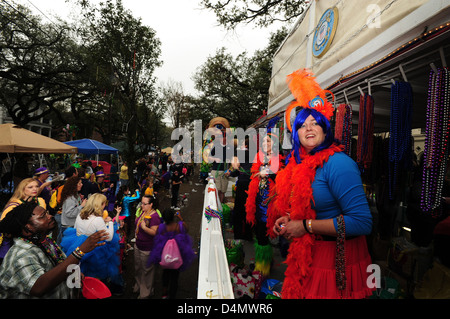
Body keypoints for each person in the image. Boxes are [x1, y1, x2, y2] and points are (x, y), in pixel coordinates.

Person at [269, 68, 374, 299]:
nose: (308, 128)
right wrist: (290, 220)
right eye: (302, 125)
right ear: (295, 133)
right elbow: (309, 208)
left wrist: (305, 226)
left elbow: (362, 222)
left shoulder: (338, 164)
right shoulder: (299, 164)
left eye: (314, 123)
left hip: (336, 262)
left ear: (325, 129)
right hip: (307, 256)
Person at [0, 200, 109, 298]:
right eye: (43, 216)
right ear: (28, 227)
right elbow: (38, 288)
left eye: (47, 213)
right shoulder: (21, 254)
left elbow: (58, 266)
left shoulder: (46, 241)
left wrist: (70, 274)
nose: (50, 216)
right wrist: (79, 252)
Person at [245, 133, 284, 277]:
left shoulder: (279, 159)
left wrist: (266, 172)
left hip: (269, 204)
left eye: (267, 141)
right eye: (262, 141)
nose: (264, 143)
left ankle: (263, 269)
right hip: (258, 201)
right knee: (260, 234)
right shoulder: (260, 158)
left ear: (274, 143)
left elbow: (281, 178)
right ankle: (264, 262)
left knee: (263, 234)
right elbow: (253, 174)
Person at [60, 193, 120, 284]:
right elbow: (109, 238)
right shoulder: (97, 219)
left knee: (80, 269)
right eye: (104, 203)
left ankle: (80, 288)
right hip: (93, 249)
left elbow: (76, 228)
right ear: (100, 204)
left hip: (77, 244)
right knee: (94, 273)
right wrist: (111, 222)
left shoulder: (81, 213)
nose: (105, 205)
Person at [148, 208, 196, 299]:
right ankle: (172, 294)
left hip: (165, 256)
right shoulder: (179, 227)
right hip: (176, 256)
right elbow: (187, 229)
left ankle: (164, 293)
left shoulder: (161, 227)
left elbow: (157, 239)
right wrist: (180, 217)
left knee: (165, 273)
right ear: (173, 217)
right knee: (175, 276)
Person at [0, 178, 47, 262]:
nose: (35, 189)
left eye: (36, 186)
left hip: (36, 242)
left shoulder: (40, 202)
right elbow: (4, 227)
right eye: (30, 187)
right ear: (22, 189)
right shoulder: (14, 206)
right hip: (14, 244)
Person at [133, 195, 161, 299]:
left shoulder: (154, 217)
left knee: (147, 271)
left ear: (151, 204)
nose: (142, 205)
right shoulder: (143, 211)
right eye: (141, 203)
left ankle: (145, 292)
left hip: (147, 248)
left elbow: (154, 232)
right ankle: (139, 285)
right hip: (138, 245)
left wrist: (144, 228)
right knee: (138, 268)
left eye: (145, 204)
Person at [230, 137, 254, 241]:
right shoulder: (254, 154)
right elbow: (240, 169)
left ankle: (238, 235)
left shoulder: (242, 153)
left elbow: (237, 165)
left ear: (246, 145)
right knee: (249, 209)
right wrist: (231, 173)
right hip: (251, 184)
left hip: (243, 183)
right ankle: (248, 235)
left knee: (239, 210)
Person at [59, 176, 87, 243]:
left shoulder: (74, 195)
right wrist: (82, 206)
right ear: (74, 185)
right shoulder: (70, 198)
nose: (81, 185)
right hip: (69, 227)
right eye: (79, 183)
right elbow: (69, 213)